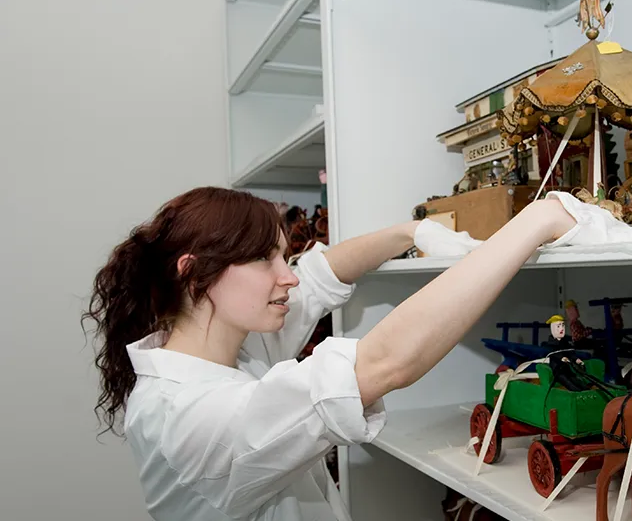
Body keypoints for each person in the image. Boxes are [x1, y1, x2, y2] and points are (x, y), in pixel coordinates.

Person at [82, 186, 577, 521]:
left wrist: (410, 233)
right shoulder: (186, 415)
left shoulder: (233, 343)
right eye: (265, 259)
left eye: (283, 256)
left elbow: (324, 274)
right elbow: (386, 362)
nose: (289, 276)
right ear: (194, 274)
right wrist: (535, 222)